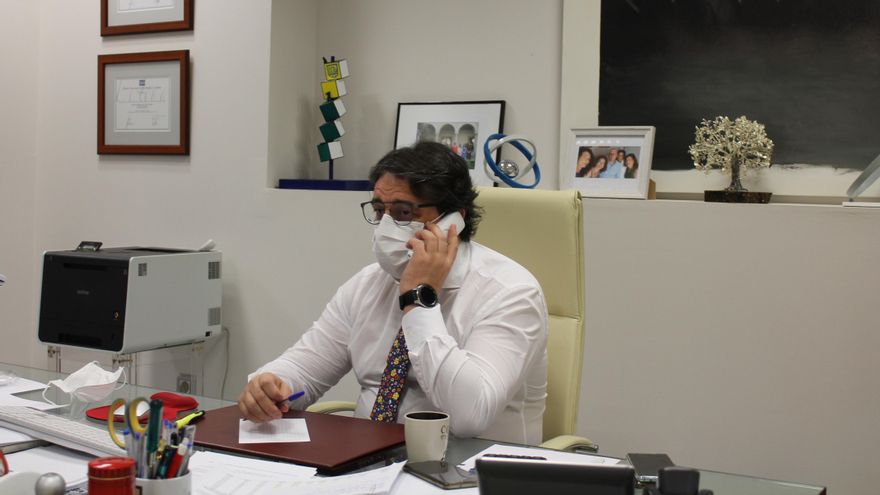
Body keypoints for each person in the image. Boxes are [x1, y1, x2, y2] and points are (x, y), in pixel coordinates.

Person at [238, 141, 549, 445]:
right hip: (368, 461)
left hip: (473, 467)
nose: (386, 226)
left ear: (454, 219)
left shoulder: (510, 292)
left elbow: (470, 416)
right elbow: (304, 369)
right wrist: (270, 385)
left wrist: (418, 298)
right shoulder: (368, 284)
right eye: (379, 211)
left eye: (403, 212)